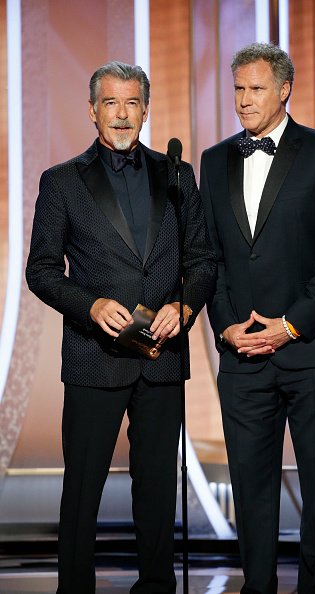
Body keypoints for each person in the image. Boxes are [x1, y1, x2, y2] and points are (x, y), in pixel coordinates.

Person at [26, 61, 216, 594]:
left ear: (147, 109)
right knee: (82, 491)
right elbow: (40, 271)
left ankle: (156, 585)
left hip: (162, 358)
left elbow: (202, 259)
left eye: (132, 102)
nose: (122, 114)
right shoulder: (61, 181)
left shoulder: (178, 174)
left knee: (157, 488)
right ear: (92, 111)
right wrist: (89, 306)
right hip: (94, 357)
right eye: (111, 103)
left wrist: (185, 305)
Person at [200, 43, 315, 594]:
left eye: (256, 89)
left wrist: (289, 325)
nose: (244, 100)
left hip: (312, 350)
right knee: (251, 484)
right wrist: (225, 324)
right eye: (238, 89)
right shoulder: (214, 159)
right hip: (242, 352)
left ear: (285, 89)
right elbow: (210, 255)